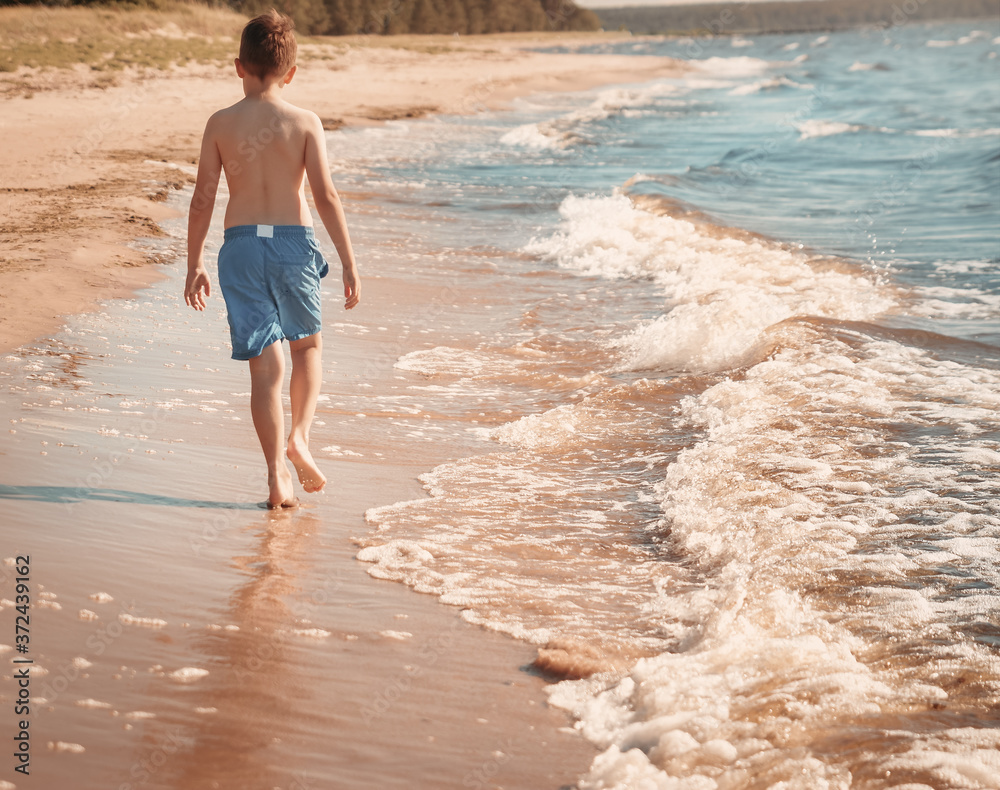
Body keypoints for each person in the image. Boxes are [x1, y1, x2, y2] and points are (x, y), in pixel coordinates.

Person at [183, 9, 360, 509]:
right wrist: (347, 259)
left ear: (239, 66)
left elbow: (202, 198)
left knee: (264, 369)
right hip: (291, 243)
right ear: (292, 72)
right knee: (306, 348)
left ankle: (274, 479)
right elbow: (325, 194)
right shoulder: (304, 122)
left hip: (239, 245)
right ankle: (299, 436)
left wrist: (194, 262)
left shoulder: (220, 123)